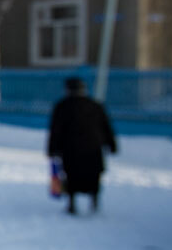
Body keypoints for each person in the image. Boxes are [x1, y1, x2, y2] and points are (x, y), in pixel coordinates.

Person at [47, 77, 118, 215]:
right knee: (93, 176)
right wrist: (112, 145)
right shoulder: (95, 105)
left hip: (71, 150)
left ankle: (72, 203)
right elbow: (106, 127)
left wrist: (52, 149)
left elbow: (55, 130)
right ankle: (94, 201)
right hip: (93, 149)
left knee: (72, 176)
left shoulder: (62, 106)